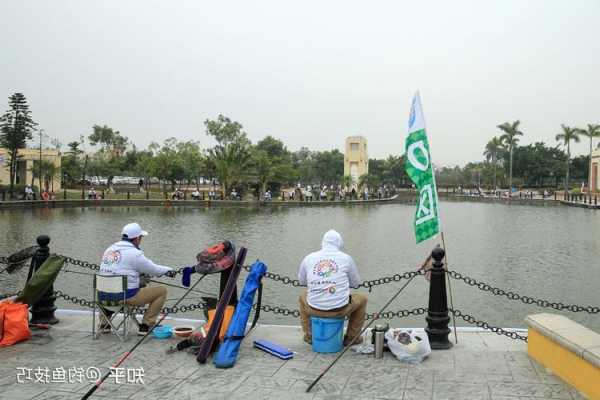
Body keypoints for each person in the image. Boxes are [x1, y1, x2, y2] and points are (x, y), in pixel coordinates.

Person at [99, 222, 174, 335]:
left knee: (110, 286)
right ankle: (146, 325)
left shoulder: (109, 249)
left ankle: (104, 324)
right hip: (125, 297)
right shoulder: (135, 253)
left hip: (103, 297)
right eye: (141, 238)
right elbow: (154, 269)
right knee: (161, 291)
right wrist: (169, 270)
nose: (141, 240)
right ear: (137, 238)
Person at [298, 229, 367, 346]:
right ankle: (352, 338)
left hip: (313, 308)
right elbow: (356, 283)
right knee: (362, 298)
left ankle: (309, 336)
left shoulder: (309, 258)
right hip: (339, 310)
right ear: (340, 243)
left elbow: (302, 281)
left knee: (302, 296)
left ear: (323, 242)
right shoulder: (346, 258)